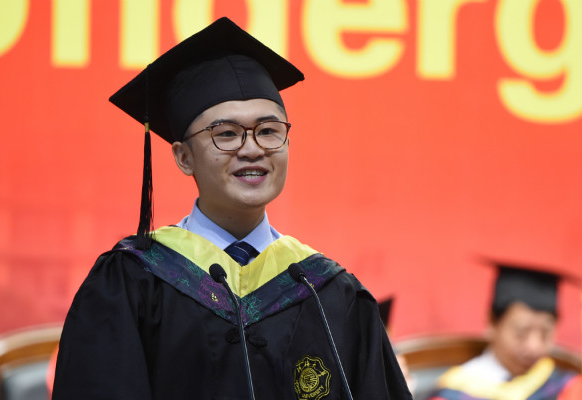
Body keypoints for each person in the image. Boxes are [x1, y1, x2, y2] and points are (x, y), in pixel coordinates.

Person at [52, 17, 412, 399]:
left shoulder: (329, 291)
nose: (252, 149)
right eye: (226, 134)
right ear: (184, 157)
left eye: (269, 131)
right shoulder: (135, 283)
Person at [428, 261, 582, 400]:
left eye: (545, 334)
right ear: (492, 323)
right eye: (521, 333)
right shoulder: (454, 393)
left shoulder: (567, 388)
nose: (534, 347)